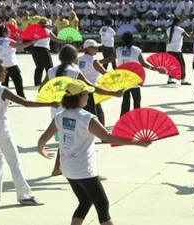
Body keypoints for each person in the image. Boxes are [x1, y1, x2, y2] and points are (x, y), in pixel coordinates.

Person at [37, 80, 150, 225]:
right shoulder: (87, 118)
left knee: (85, 202)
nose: (88, 97)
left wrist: (41, 149)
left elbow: (44, 138)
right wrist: (137, 142)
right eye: (86, 94)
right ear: (79, 97)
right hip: (83, 169)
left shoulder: (60, 116)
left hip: (67, 168)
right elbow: (106, 137)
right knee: (102, 205)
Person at [0, 58, 56, 205]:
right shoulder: (2, 90)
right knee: (14, 162)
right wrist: (50, 103)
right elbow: (26, 103)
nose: (5, 73)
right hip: (2, 130)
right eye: (3, 70)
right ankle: (24, 195)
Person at [42, 44, 124, 176]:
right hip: (72, 108)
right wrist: (113, 93)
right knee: (82, 140)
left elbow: (42, 89)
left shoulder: (51, 71)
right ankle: (90, 172)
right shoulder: (75, 72)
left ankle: (57, 168)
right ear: (75, 57)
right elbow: (91, 87)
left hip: (56, 108)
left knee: (64, 138)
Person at [115, 32, 165, 117]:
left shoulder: (118, 50)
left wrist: (98, 62)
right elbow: (144, 64)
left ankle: (123, 119)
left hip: (123, 78)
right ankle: (137, 119)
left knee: (125, 101)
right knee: (137, 101)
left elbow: (109, 59)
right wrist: (157, 69)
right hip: (134, 77)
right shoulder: (136, 50)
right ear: (132, 40)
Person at [0, 26, 35, 98]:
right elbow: (21, 46)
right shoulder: (8, 41)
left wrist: (18, 39)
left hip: (2, 65)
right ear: (5, 32)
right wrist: (32, 41)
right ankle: (21, 97)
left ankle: (4, 98)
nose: (10, 32)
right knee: (18, 82)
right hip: (11, 64)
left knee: (4, 83)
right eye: (9, 31)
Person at [32, 18, 65, 86]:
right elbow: (55, 39)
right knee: (49, 67)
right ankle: (52, 82)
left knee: (39, 67)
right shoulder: (47, 31)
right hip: (44, 49)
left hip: (35, 49)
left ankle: (37, 82)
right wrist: (65, 41)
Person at [166, 17, 191, 85]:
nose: (182, 23)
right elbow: (188, 37)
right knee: (182, 64)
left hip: (169, 49)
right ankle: (183, 80)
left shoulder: (168, 29)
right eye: (181, 21)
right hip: (176, 49)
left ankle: (170, 79)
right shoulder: (180, 30)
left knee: (171, 64)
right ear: (178, 22)